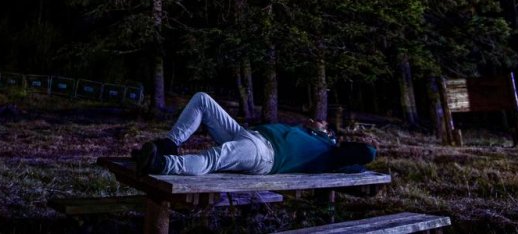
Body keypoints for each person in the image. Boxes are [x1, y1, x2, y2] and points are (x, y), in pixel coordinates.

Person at [132, 92, 377, 176]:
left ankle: (160, 163)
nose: (316, 120)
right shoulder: (304, 131)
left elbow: (367, 152)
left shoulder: (328, 153)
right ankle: (168, 145)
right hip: (247, 135)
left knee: (212, 159)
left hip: (264, 155)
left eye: (322, 123)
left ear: (330, 136)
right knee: (202, 100)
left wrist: (341, 145)